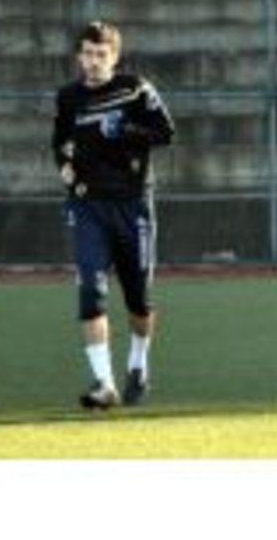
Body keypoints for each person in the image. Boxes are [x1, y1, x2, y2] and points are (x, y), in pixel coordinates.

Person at [51, 21, 175, 409]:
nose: (93, 61)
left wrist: (125, 129)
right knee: (91, 290)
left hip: (132, 203)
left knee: (138, 300)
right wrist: (64, 167)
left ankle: (138, 363)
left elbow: (166, 132)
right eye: (87, 54)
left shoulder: (135, 89)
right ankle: (104, 383)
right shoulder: (68, 97)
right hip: (88, 205)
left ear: (115, 57)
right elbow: (60, 142)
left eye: (101, 54)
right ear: (79, 56)